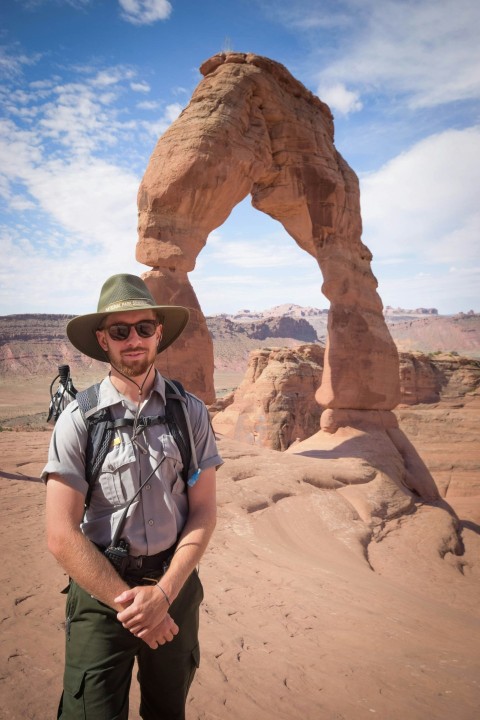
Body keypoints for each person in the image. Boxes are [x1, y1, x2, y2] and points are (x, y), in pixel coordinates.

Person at [43, 273, 222, 720]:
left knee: (168, 710)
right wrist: (134, 605)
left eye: (144, 328)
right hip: (102, 597)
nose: (134, 340)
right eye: (120, 331)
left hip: (174, 587)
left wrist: (162, 595)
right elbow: (61, 535)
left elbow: (203, 513)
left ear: (159, 333)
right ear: (103, 339)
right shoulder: (79, 421)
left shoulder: (190, 413)